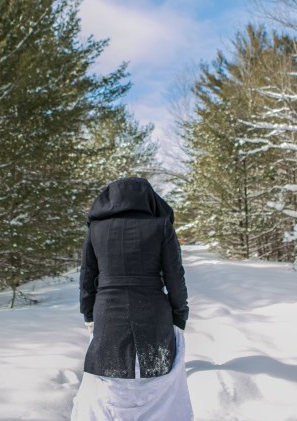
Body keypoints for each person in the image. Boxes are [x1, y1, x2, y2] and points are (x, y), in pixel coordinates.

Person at [70, 177, 193, 421]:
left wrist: (89, 315)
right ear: (149, 198)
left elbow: (87, 277)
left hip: (108, 314)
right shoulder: (161, 226)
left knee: (110, 379)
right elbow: (175, 276)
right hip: (153, 313)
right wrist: (180, 314)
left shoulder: (96, 229)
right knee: (158, 380)